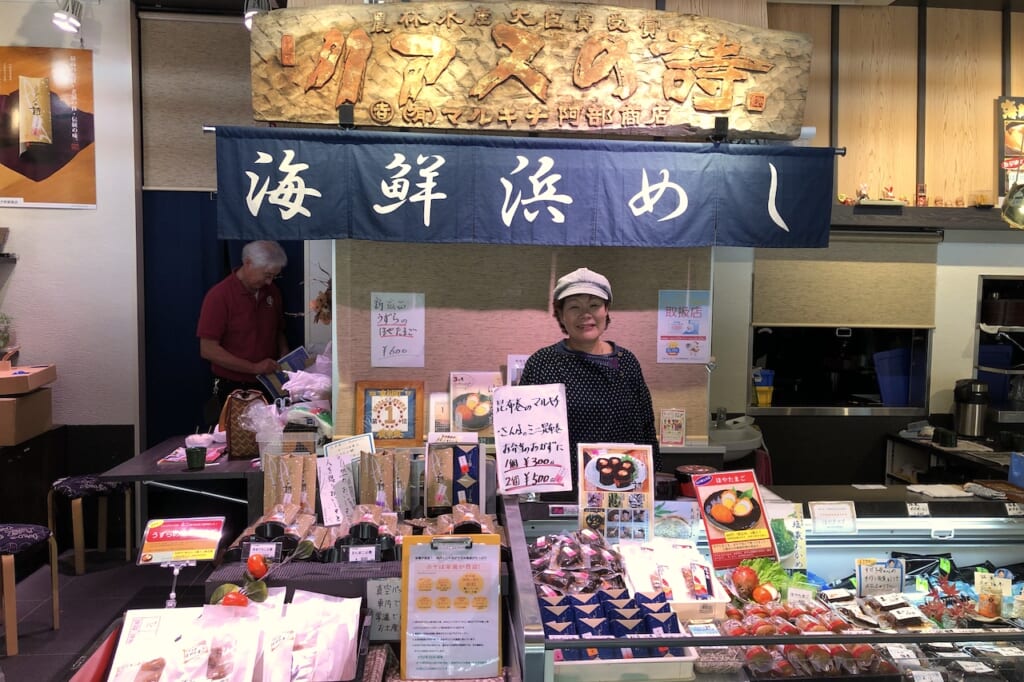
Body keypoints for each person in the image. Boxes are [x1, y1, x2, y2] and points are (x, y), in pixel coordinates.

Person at [519, 267, 661, 490]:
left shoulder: (627, 362)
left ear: (606, 310)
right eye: (574, 307)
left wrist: (650, 480)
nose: (586, 314)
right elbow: (525, 432)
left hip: (623, 488)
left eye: (594, 305)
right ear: (561, 315)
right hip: (560, 492)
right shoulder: (542, 363)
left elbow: (646, 428)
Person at [197, 240, 289, 413]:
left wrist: (284, 355)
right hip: (233, 387)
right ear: (248, 263)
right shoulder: (219, 296)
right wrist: (253, 368)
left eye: (273, 277)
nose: (269, 282)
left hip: (269, 383)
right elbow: (208, 349)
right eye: (267, 275)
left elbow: (278, 331)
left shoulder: (273, 292)